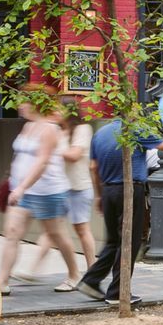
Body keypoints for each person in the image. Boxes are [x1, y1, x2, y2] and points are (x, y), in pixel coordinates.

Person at [78, 116, 163, 304]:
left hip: (108, 190)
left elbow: (93, 167)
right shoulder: (135, 129)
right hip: (130, 189)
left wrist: (98, 195)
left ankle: (91, 280)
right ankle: (117, 292)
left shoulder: (100, 133)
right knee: (129, 242)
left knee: (113, 242)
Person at [0, 92, 81, 295]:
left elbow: (41, 162)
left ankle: (74, 274)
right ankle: (1, 281)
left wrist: (21, 188)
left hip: (47, 191)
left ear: (36, 104)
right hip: (21, 190)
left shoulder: (50, 129)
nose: (20, 106)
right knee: (11, 233)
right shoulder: (27, 127)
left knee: (56, 234)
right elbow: (20, 156)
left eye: (23, 102)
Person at [60, 103, 98, 271]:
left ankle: (91, 268)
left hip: (79, 187)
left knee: (82, 230)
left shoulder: (83, 129)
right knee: (53, 231)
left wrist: (51, 148)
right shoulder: (61, 131)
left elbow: (74, 155)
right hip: (61, 187)